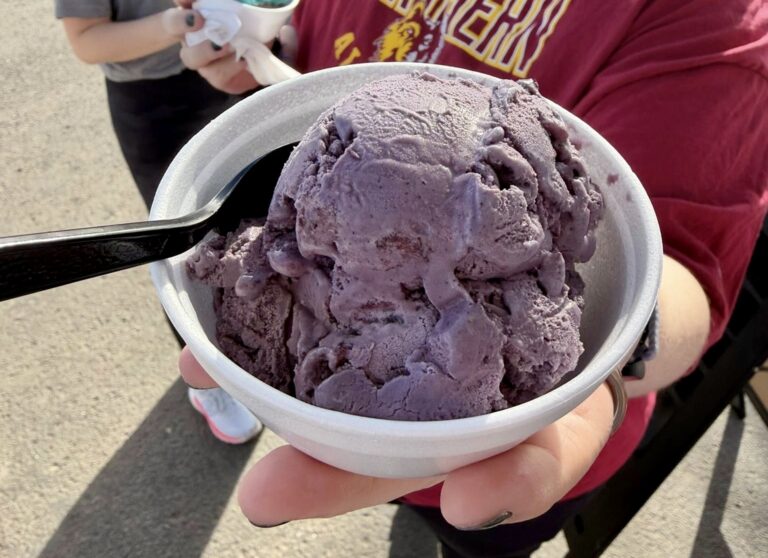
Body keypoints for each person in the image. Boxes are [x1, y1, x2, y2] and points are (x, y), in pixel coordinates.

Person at [177, 0, 768, 556]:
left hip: (522, 444)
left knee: (478, 534)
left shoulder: (707, 16)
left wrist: (609, 346)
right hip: (334, 399)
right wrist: (266, 48)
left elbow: (691, 269)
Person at [56, 0, 263, 445]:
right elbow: (87, 40)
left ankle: (258, 337)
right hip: (153, 103)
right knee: (180, 247)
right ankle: (208, 381)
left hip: (241, 68)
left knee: (253, 221)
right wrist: (178, 24)